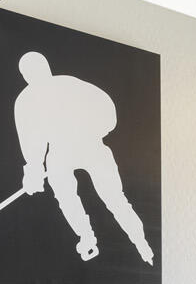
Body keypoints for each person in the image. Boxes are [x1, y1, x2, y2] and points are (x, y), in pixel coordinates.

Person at [15, 51, 154, 265]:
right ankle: (86, 237)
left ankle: (141, 244)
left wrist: (97, 129)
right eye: (31, 73)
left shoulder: (68, 85)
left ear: (46, 69)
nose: (35, 76)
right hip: (61, 151)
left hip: (89, 144)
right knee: (65, 194)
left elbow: (106, 108)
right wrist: (33, 170)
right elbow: (31, 140)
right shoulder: (25, 102)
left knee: (115, 198)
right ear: (25, 76)